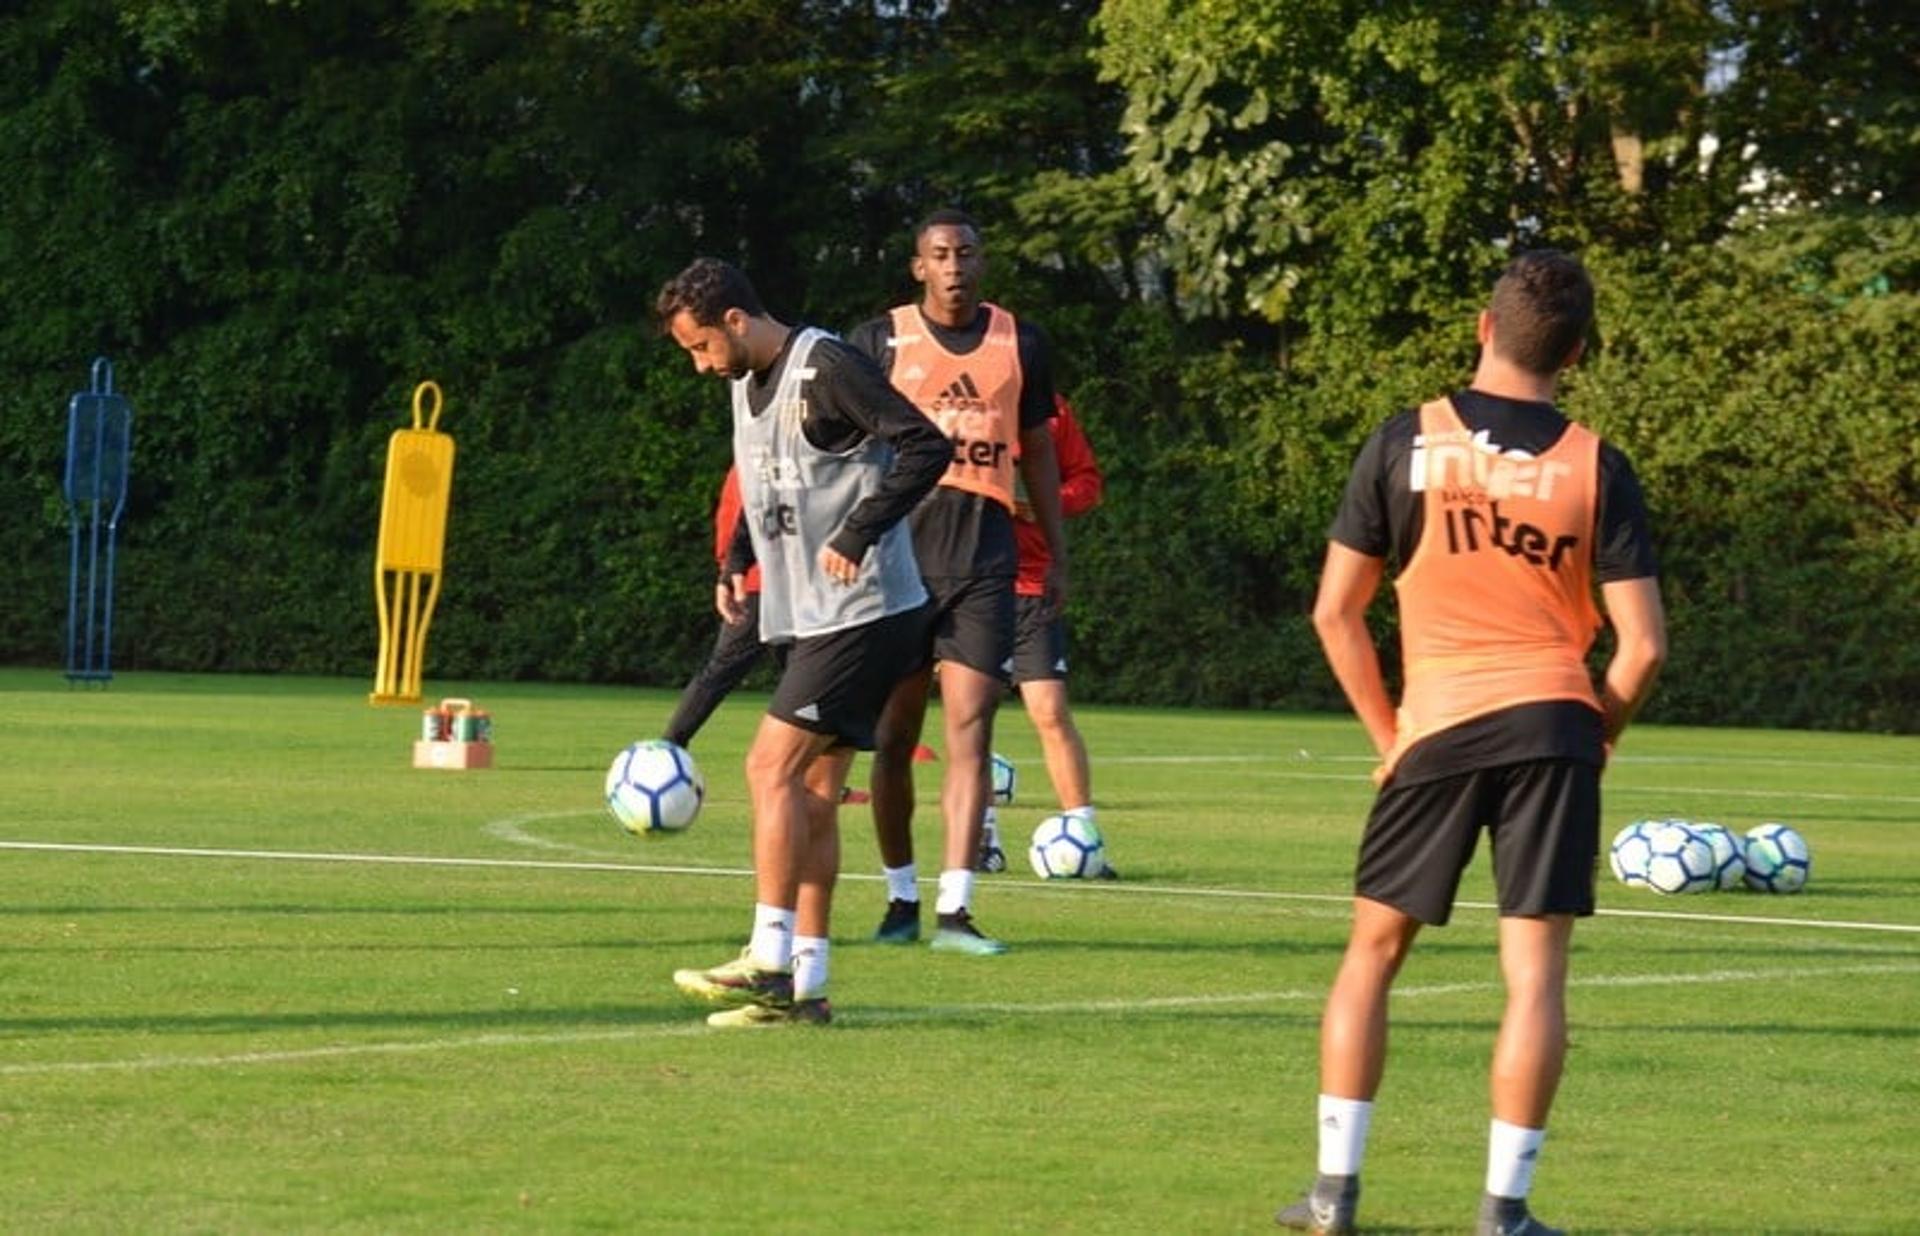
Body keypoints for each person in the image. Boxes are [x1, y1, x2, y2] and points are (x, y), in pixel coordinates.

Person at [1277, 250, 1666, 1235]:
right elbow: (1644, 647)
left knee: (1372, 955)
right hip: (1555, 726)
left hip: (1438, 726)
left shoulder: (1407, 440)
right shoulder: (1595, 464)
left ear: (1483, 329)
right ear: (1575, 352)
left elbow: (1335, 613)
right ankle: (1505, 1210)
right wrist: (1599, 732)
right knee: (1535, 977)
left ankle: (1333, 1194)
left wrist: (1390, 734)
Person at [655, 257, 948, 1027]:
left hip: (865, 610)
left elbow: (925, 446)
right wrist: (736, 562)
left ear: (736, 322)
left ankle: (766, 956)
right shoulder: (743, 386)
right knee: (814, 796)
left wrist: (859, 529)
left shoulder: (828, 366)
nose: (698, 365)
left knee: (766, 767)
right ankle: (805, 989)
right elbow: (766, 484)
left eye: (700, 348)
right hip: (811, 614)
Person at [846, 208, 1069, 955]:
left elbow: (1038, 450)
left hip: (985, 555)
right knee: (895, 737)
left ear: (982, 261)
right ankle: (900, 898)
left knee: (971, 727)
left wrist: (1056, 553)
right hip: (903, 557)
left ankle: (955, 911)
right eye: (940, 254)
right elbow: (839, 445)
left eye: (966, 253)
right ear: (918, 267)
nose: (954, 266)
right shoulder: (879, 342)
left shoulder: (1021, 342)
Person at [660, 468, 874, 805]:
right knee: (724, 671)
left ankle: (820, 782)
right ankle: (667, 751)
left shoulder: (760, 457)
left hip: (782, 584)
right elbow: (738, 522)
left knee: (802, 682)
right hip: (762, 584)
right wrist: (732, 572)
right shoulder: (761, 461)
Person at [979, 393, 1112, 876]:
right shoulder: (960, 404)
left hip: (1033, 584)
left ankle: (1086, 835)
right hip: (974, 582)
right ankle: (982, 839)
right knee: (976, 712)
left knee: (1050, 710)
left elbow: (1088, 483)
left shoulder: (1052, 410)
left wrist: (1040, 502)